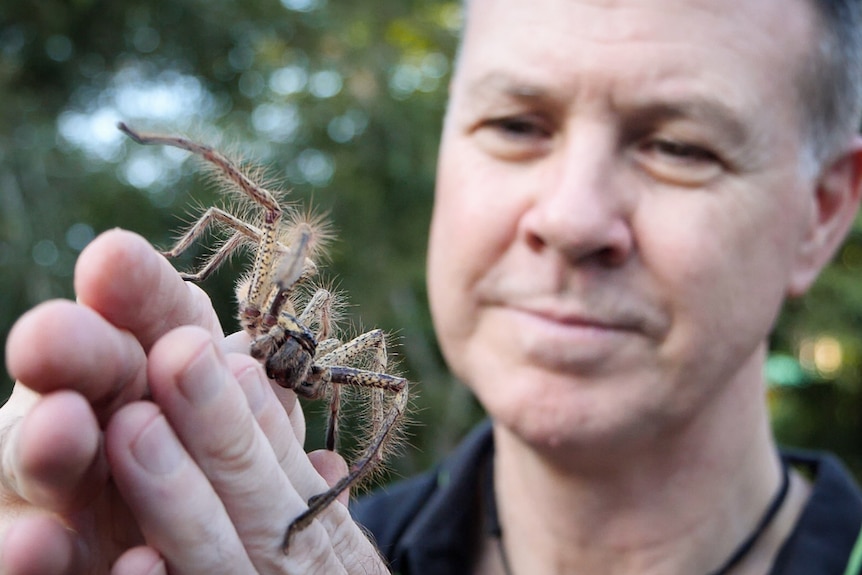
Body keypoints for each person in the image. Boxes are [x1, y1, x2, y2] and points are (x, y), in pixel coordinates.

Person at [2, 0, 862, 573]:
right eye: (516, 124)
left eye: (680, 145)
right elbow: (262, 224)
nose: (568, 217)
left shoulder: (337, 381)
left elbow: (381, 374)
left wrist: (328, 497)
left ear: (824, 215)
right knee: (265, 218)